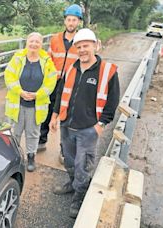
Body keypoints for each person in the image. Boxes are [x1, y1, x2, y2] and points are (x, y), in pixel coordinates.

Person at [49, 28, 120, 218]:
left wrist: (100, 125)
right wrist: (55, 115)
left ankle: (79, 196)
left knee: (83, 165)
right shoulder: (72, 68)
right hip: (66, 125)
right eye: (78, 47)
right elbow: (60, 94)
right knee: (70, 161)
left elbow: (112, 102)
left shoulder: (107, 71)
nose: (82, 50)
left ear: (95, 45)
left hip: (88, 129)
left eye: (85, 46)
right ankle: (72, 184)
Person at [4, 32, 57, 172]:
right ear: (27, 43)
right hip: (18, 104)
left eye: (37, 42)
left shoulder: (47, 61)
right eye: (31, 41)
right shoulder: (18, 58)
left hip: (36, 105)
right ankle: (14, 156)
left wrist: (37, 95)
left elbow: (51, 83)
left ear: (41, 44)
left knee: (33, 133)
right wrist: (20, 91)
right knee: (15, 132)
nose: (34, 44)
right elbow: (8, 77)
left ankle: (31, 156)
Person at [38, 4, 82, 155]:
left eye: (74, 20)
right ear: (65, 21)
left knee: (67, 115)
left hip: (71, 84)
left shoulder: (81, 41)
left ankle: (65, 150)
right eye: (69, 19)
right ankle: (41, 140)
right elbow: (48, 60)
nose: (71, 23)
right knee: (47, 111)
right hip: (53, 82)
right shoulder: (55, 39)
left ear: (78, 22)